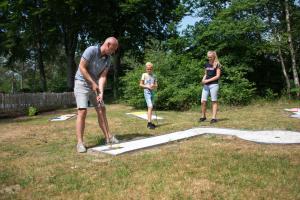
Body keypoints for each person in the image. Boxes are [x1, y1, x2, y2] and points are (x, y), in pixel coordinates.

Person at [74, 37, 119, 153]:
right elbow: (82, 67)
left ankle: (108, 137)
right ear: (108, 45)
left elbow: (103, 76)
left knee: (101, 109)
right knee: (82, 111)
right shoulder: (91, 50)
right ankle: (80, 143)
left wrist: (101, 92)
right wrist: (92, 83)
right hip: (81, 83)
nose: (113, 52)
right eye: (113, 49)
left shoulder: (108, 59)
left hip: (95, 85)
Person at [199, 51, 221, 123]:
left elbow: (217, 76)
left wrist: (207, 81)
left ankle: (214, 118)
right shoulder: (206, 64)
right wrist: (203, 79)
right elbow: (206, 74)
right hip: (206, 85)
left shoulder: (217, 64)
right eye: (208, 57)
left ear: (214, 56)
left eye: (210, 57)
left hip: (214, 85)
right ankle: (203, 116)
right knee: (203, 101)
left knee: (214, 101)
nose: (209, 58)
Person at [139, 62, 158, 129]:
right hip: (147, 92)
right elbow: (140, 84)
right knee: (150, 106)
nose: (149, 70)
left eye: (150, 69)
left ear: (152, 69)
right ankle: (149, 123)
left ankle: (150, 122)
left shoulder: (154, 76)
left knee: (151, 107)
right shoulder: (144, 74)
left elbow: (156, 85)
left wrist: (153, 85)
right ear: (146, 69)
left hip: (152, 93)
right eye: (147, 69)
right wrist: (147, 86)